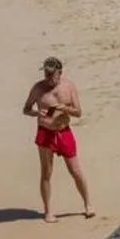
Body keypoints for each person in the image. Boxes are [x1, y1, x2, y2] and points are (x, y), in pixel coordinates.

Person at [21, 57, 91, 223]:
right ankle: (48, 211)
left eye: (52, 75)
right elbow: (26, 109)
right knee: (46, 172)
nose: (48, 78)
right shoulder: (38, 89)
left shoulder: (68, 86)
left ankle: (88, 204)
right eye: (46, 74)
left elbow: (78, 112)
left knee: (75, 170)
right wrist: (38, 113)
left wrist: (64, 108)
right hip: (45, 133)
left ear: (60, 73)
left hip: (64, 132)